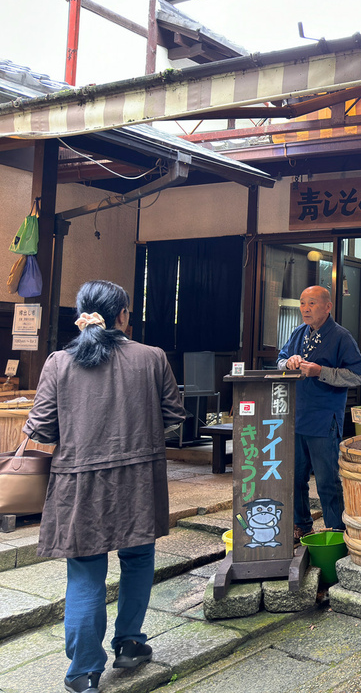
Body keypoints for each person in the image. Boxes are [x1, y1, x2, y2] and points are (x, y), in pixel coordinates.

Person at [23, 280, 188, 693]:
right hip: (139, 480)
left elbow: (41, 429)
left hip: (79, 485)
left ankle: (83, 671)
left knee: (85, 574)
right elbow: (175, 416)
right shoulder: (152, 357)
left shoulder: (59, 362)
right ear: (123, 316)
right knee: (137, 560)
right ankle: (130, 644)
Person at [278, 285, 361, 540]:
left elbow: (359, 375)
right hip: (296, 417)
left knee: (327, 480)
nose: (305, 308)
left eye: (312, 303)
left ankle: (337, 529)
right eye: (303, 303)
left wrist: (321, 372)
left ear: (328, 307)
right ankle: (301, 525)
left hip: (325, 419)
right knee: (294, 478)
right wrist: (289, 363)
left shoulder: (341, 337)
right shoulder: (298, 333)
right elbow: (280, 360)